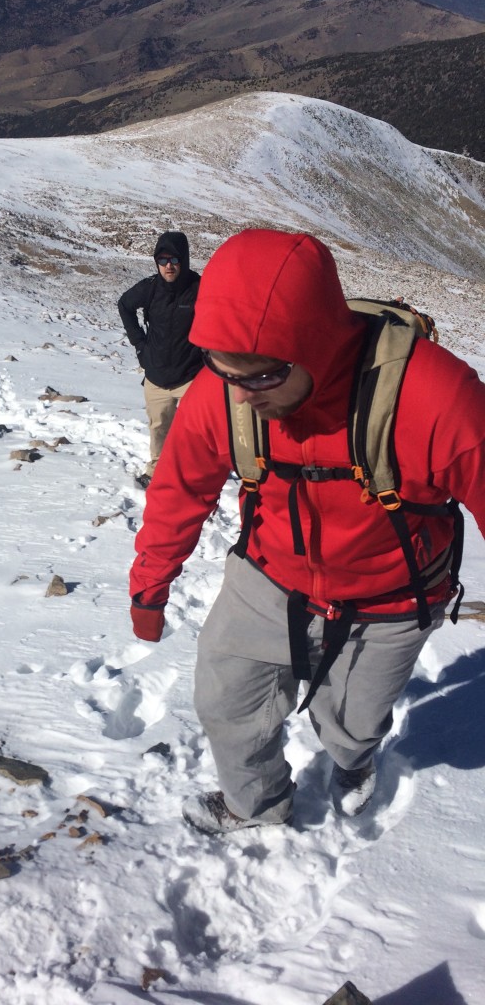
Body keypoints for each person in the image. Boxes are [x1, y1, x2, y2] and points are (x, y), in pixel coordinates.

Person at [129, 228, 485, 834]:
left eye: (261, 376)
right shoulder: (228, 388)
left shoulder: (437, 398)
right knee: (226, 703)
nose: (239, 395)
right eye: (223, 370)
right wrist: (149, 587)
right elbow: (179, 487)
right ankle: (256, 806)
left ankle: (351, 761)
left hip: (391, 597)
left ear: (312, 347)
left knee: (351, 719)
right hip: (268, 575)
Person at [118, 231, 202, 489]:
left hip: (191, 378)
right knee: (159, 429)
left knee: (196, 434)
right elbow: (125, 305)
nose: (168, 265)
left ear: (184, 260)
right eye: (162, 259)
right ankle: (156, 472)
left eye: (174, 259)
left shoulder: (199, 287)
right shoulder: (151, 288)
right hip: (156, 376)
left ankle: (195, 479)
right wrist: (140, 347)